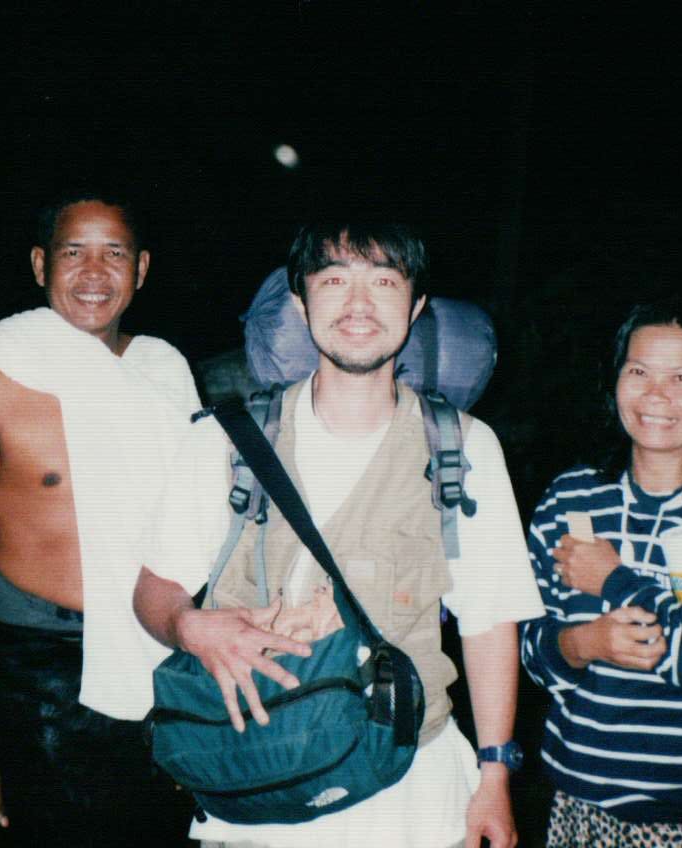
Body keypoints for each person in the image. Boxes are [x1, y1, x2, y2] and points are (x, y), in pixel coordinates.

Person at [133, 223, 544, 848]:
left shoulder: (463, 447)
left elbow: (488, 622)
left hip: (408, 792)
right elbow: (155, 588)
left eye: (383, 282)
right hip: (252, 790)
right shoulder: (225, 440)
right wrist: (189, 626)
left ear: (416, 305)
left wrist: (495, 777)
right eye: (333, 281)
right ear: (301, 304)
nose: (358, 305)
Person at [0, 191, 200, 845]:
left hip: (154, 662)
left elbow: (192, 531)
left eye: (114, 253)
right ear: (41, 264)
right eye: (73, 252)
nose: (94, 272)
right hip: (31, 678)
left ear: (142, 268)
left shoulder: (164, 372)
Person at [520, 295, 682, 847]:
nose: (656, 394)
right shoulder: (569, 499)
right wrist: (586, 643)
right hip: (584, 802)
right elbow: (530, 652)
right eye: (638, 371)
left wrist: (615, 581)